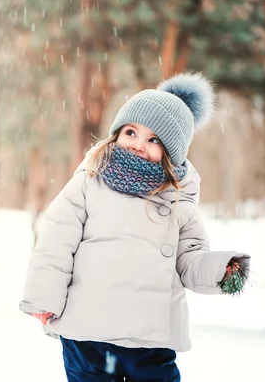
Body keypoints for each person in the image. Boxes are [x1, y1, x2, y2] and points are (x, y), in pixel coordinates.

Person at [19, 72, 251, 382]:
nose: (139, 144)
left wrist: (222, 270)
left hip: (149, 342)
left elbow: (190, 259)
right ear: (116, 134)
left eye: (154, 139)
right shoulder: (89, 182)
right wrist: (44, 298)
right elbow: (56, 242)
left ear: (172, 152)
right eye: (131, 132)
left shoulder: (179, 201)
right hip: (88, 334)